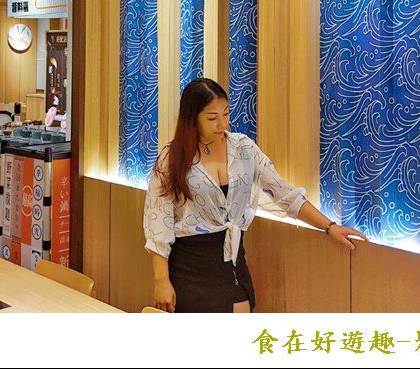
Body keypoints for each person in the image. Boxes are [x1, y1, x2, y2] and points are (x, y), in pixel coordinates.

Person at [143, 77, 368, 313]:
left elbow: (284, 194)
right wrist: (161, 281)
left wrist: (329, 226)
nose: (221, 123)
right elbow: (158, 222)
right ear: (192, 118)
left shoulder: (243, 148)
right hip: (190, 266)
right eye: (211, 118)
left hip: (234, 262)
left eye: (226, 114)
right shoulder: (172, 158)